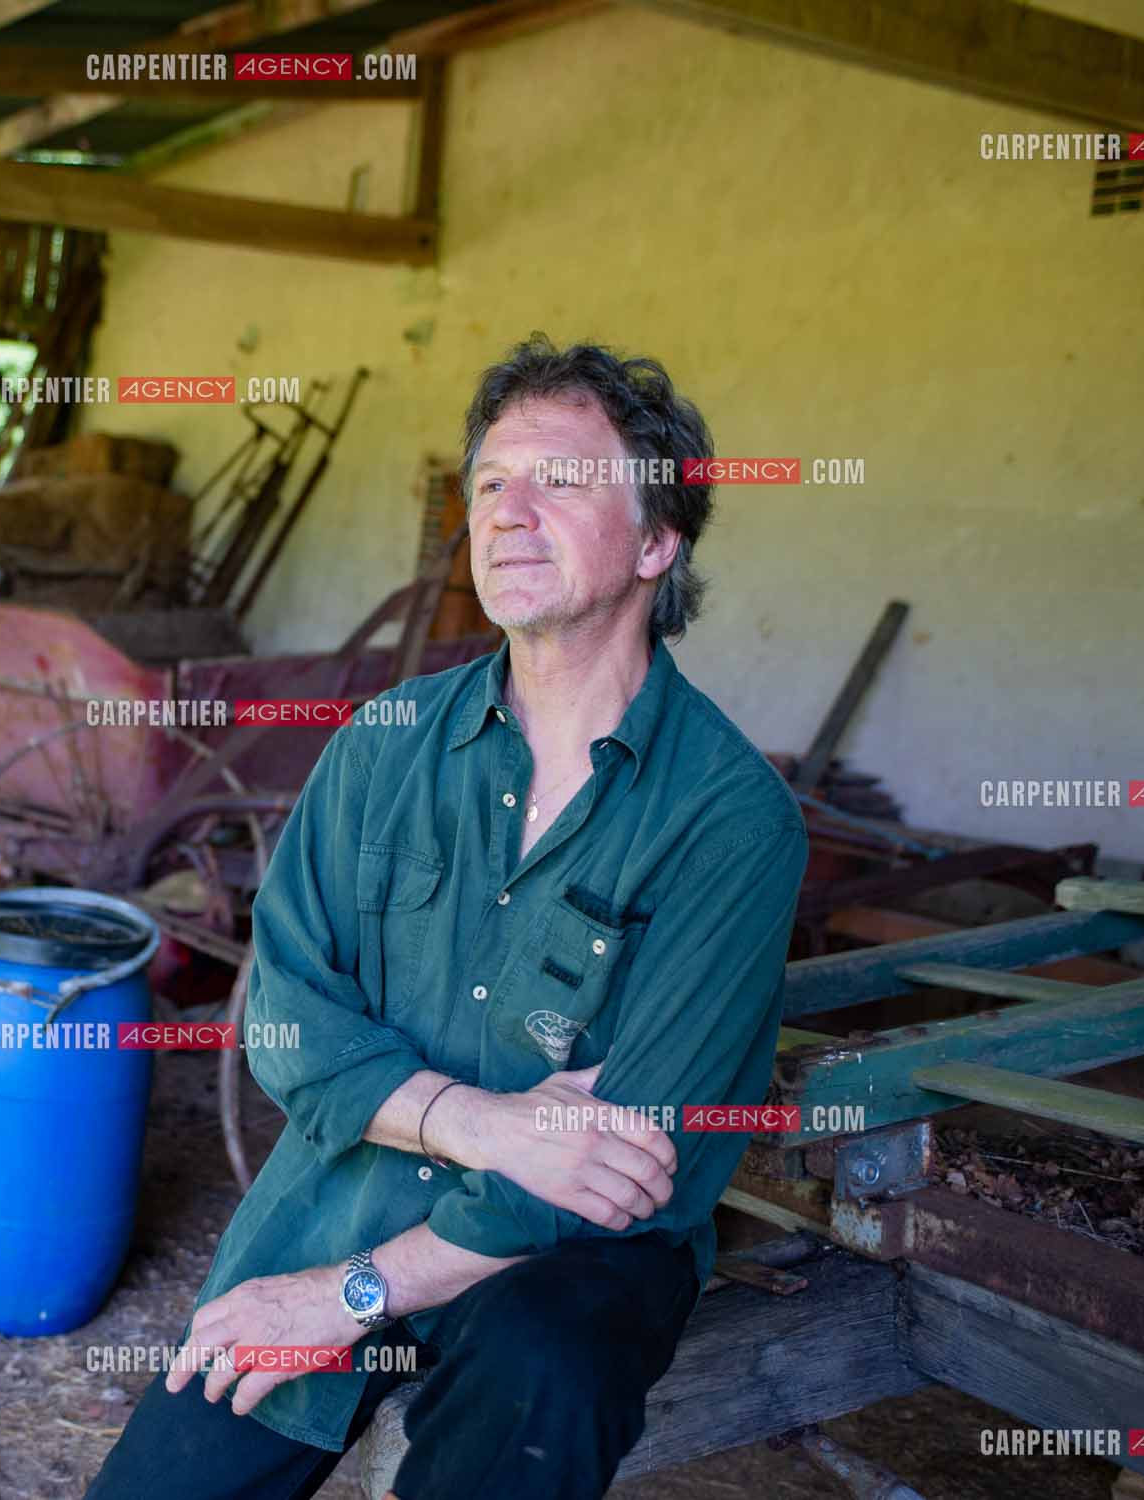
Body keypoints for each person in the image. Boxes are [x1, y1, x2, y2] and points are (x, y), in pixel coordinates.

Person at [85, 336, 810, 1500]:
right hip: (340, 1201)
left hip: (565, 1259)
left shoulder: (731, 818)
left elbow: (627, 1157)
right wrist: (477, 1123)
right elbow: (283, 1023)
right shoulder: (382, 743)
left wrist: (351, 1296)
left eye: (558, 481)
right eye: (489, 483)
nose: (506, 514)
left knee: (547, 1363)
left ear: (656, 541)